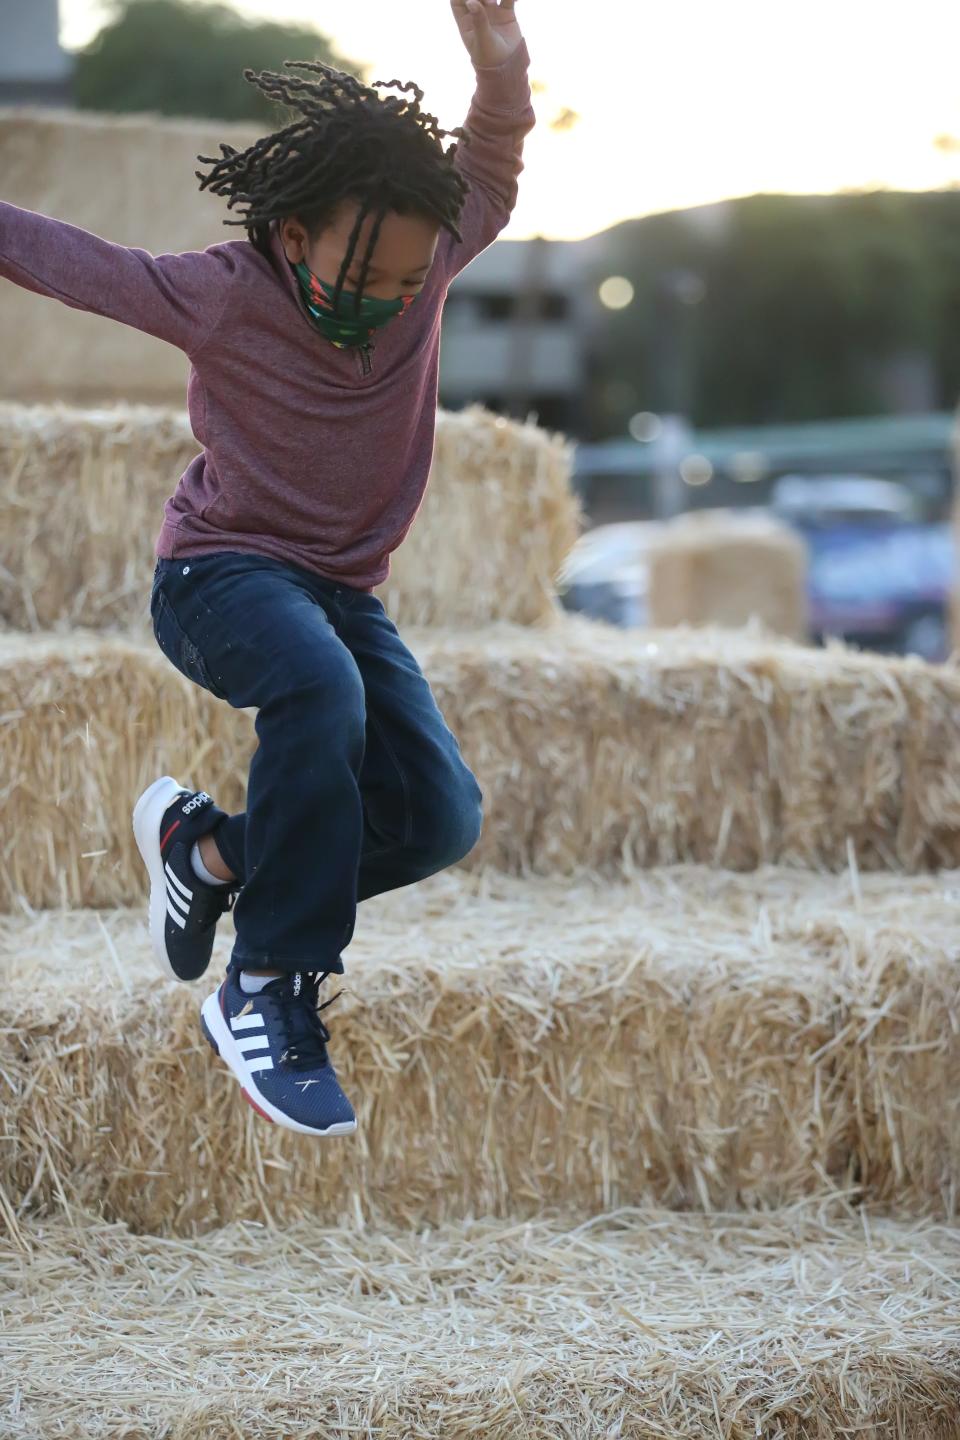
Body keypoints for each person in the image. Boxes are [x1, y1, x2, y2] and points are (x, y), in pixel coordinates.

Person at [0, 0, 535, 1137]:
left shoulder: (426, 265)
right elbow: (67, 262)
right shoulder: (221, 294)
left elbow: (489, 164)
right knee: (320, 694)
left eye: (406, 283)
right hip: (219, 579)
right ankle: (267, 986)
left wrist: (506, 69)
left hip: (342, 596)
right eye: (364, 274)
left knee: (438, 816)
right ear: (293, 238)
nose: (385, 303)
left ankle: (211, 851)